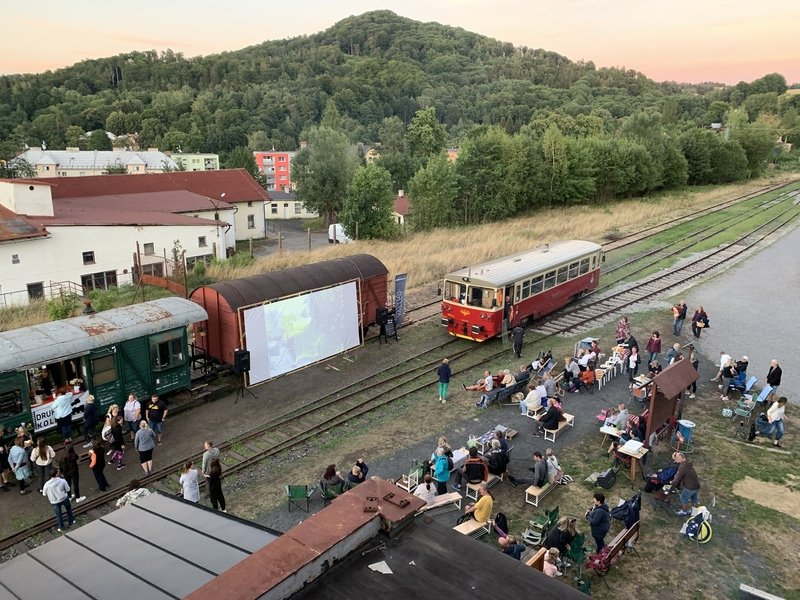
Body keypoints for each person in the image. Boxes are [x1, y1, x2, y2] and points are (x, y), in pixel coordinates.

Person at [669, 451, 700, 516]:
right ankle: (694, 513)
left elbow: (676, 480)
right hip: (696, 485)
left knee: (683, 497)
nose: (676, 462)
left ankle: (684, 511)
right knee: (694, 499)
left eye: (676, 460)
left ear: (680, 458)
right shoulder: (688, 463)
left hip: (690, 487)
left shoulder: (682, 467)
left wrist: (671, 489)